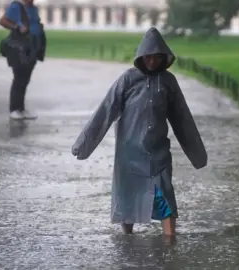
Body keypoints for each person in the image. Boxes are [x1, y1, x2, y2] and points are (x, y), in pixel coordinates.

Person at [71, 27, 208, 236]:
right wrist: (83, 144)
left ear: (163, 57)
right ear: (141, 57)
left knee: (165, 196)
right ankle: (127, 240)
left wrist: (198, 155)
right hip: (129, 153)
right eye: (148, 58)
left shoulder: (168, 82)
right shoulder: (127, 79)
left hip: (158, 152)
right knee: (128, 198)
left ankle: (169, 244)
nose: (152, 62)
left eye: (156, 58)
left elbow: (183, 118)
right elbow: (105, 111)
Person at [0, 0, 46, 120]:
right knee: (19, 79)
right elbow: (2, 21)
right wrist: (16, 27)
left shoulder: (33, 9)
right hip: (20, 48)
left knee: (25, 80)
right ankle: (14, 109)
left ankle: (21, 109)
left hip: (32, 48)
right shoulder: (16, 7)